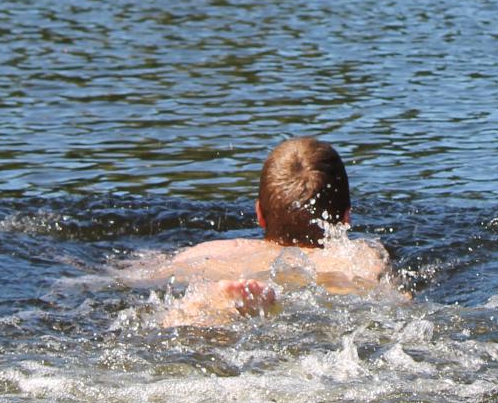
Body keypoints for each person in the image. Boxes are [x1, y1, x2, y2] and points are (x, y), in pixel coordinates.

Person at [118, 137, 394, 326]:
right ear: (346, 217)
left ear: (259, 213)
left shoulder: (208, 254)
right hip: (316, 305)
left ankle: (205, 309)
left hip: (214, 284)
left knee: (180, 323)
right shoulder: (358, 256)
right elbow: (392, 304)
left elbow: (126, 278)